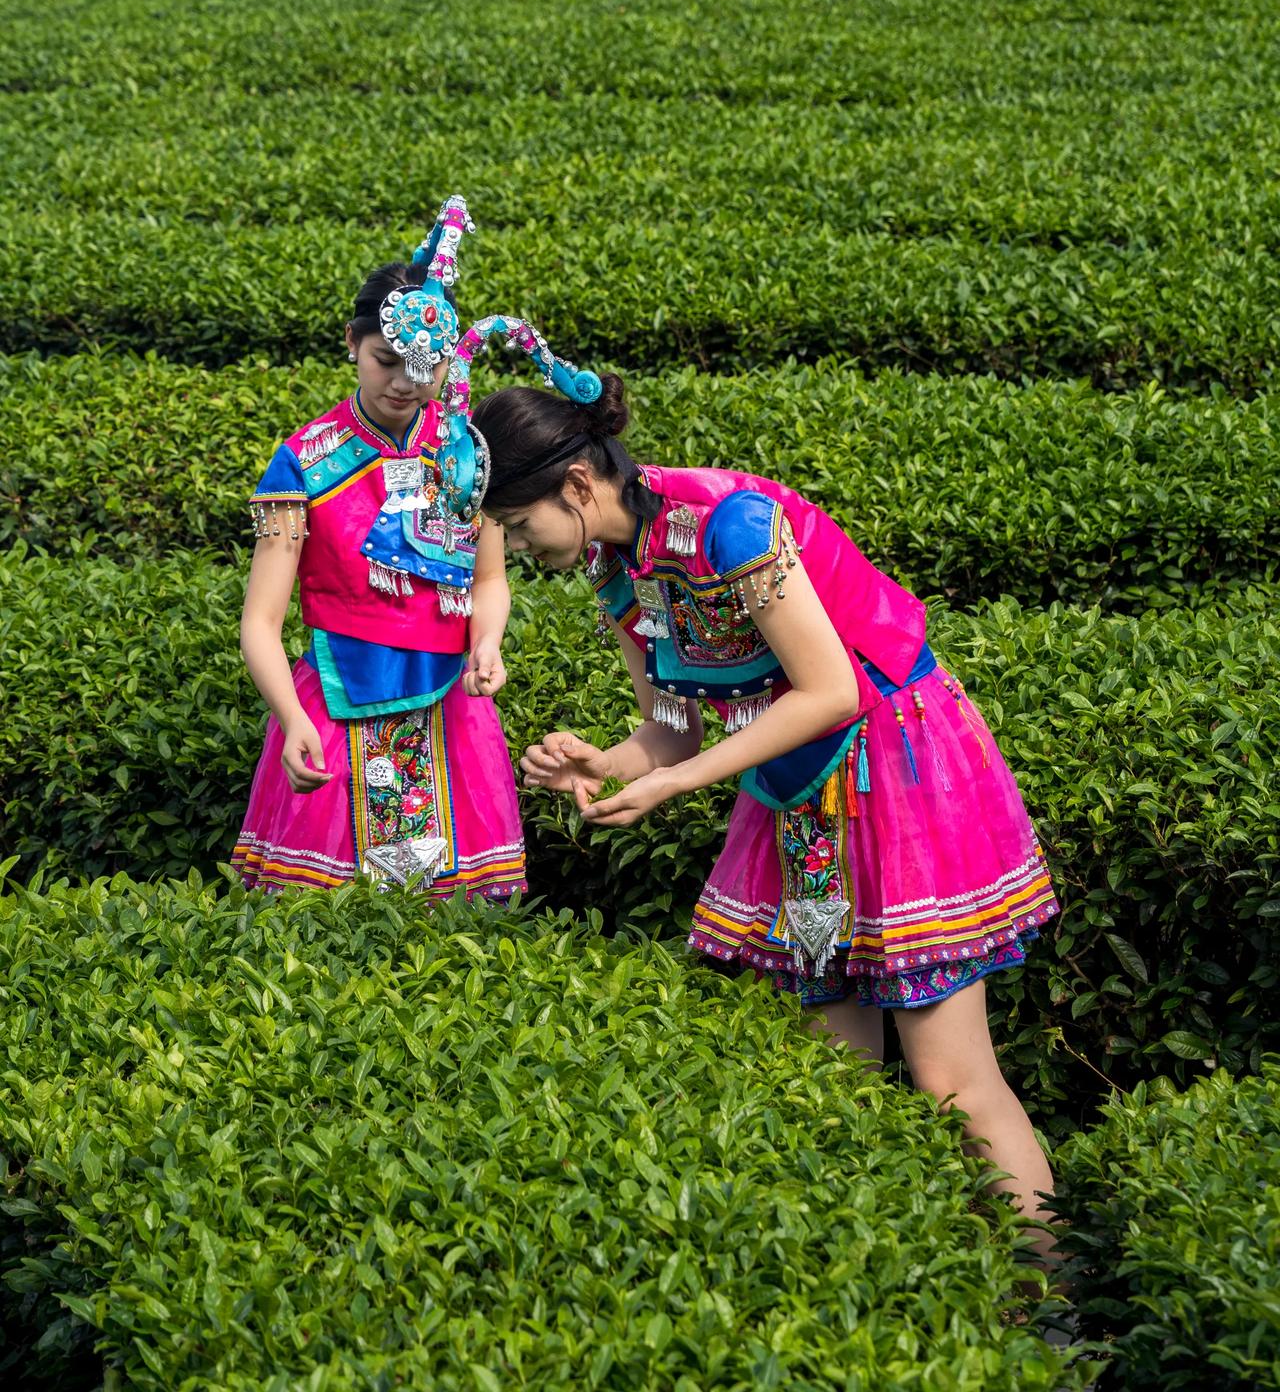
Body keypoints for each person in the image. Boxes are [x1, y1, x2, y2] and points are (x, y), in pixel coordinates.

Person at [471, 363, 1063, 1260]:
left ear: (578, 485)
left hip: (890, 770)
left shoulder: (731, 523)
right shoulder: (615, 565)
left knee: (950, 1077)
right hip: (794, 796)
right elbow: (672, 725)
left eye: (519, 526)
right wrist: (609, 761)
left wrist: (680, 781)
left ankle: (1050, 1295)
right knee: (833, 1071)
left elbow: (830, 691)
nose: (517, 548)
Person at [231, 196, 525, 899]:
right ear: (351, 343)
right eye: (386, 360)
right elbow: (261, 624)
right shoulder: (302, 462)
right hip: (333, 709)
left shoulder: (465, 451)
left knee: (461, 943)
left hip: (453, 711)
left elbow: (488, 581)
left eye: (424, 367)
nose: (405, 383)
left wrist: (489, 642)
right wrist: (292, 716)